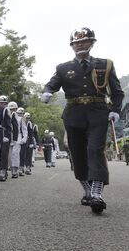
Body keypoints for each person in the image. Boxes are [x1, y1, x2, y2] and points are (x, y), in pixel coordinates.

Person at [41, 27, 124, 214]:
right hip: (74, 113)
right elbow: (52, 83)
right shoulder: (63, 68)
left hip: (98, 112)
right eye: (76, 43)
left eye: (84, 41)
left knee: (95, 150)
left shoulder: (106, 64)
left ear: (92, 43)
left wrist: (116, 110)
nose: (80, 45)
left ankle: (97, 193)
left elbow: (117, 92)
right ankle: (87, 189)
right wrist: (47, 92)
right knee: (77, 153)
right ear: (72, 46)